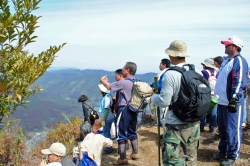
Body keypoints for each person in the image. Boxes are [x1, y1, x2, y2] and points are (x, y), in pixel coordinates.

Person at [151, 40, 201, 166]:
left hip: (176, 124)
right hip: (194, 122)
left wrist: (154, 97)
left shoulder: (171, 74)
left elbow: (164, 102)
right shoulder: (197, 72)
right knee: (190, 158)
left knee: (173, 161)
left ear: (171, 55)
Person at [214, 36, 249, 166]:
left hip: (231, 102)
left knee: (232, 129)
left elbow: (239, 81)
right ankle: (223, 151)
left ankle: (233, 154)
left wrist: (234, 99)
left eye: (228, 45)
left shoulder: (239, 60)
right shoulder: (226, 60)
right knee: (222, 129)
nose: (225, 46)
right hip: (222, 102)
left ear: (235, 47)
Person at [100, 62, 138, 165]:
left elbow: (108, 87)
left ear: (127, 70)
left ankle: (122, 158)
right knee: (132, 131)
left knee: (121, 133)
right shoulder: (136, 81)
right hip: (133, 110)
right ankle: (135, 153)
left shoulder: (124, 82)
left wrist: (102, 80)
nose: (122, 70)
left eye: (123, 68)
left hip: (124, 110)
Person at [200, 58, 218, 132]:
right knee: (214, 111)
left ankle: (201, 127)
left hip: (206, 94)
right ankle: (213, 127)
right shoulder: (216, 72)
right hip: (215, 94)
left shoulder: (204, 72)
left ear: (205, 65)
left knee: (203, 111)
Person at [98, 83, 114, 153]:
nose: (100, 91)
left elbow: (107, 110)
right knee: (107, 132)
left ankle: (108, 148)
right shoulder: (108, 96)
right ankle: (109, 146)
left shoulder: (106, 98)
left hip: (107, 118)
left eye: (100, 90)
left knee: (106, 133)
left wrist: (103, 119)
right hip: (109, 117)